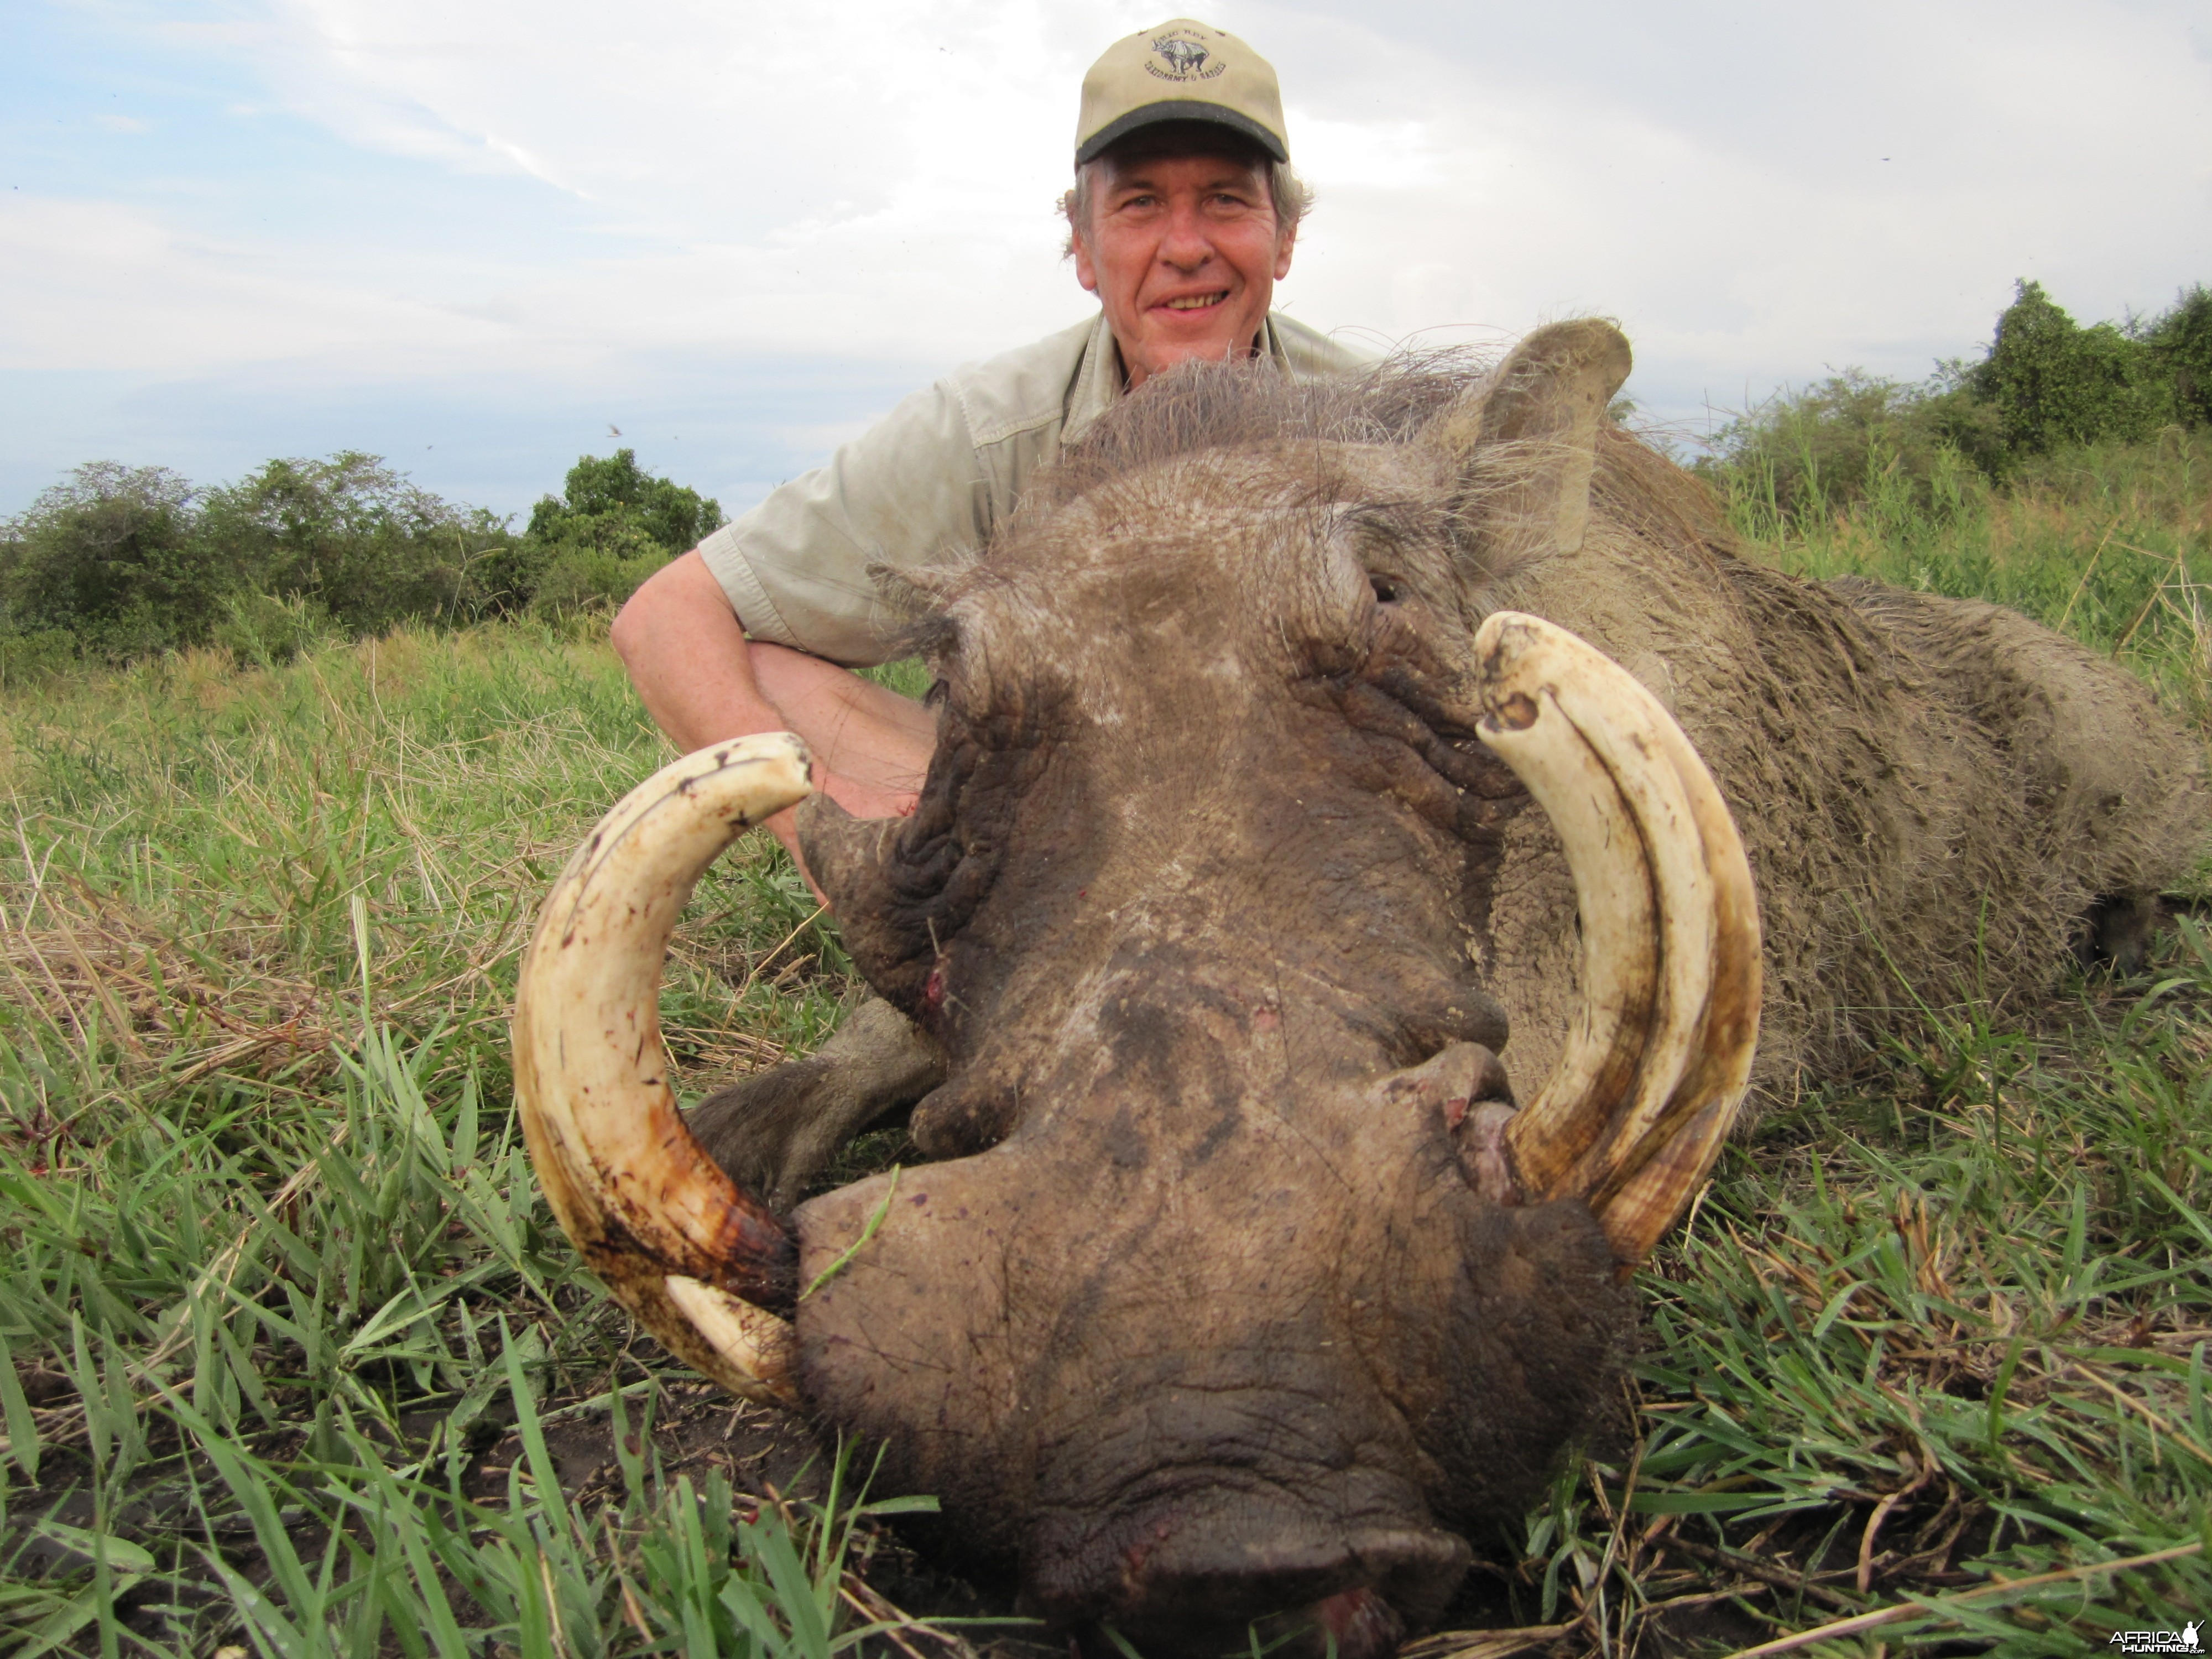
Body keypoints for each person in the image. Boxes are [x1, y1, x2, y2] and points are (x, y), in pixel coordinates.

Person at [611, 18, 1365, 891]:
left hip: (1317, 825)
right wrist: (817, 811)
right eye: (1141, 203)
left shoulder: (1380, 423)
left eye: (1227, 200)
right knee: (763, 669)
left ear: (1285, 239)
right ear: (1083, 250)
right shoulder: (986, 429)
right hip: (1053, 830)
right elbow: (665, 616)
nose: (1186, 245)